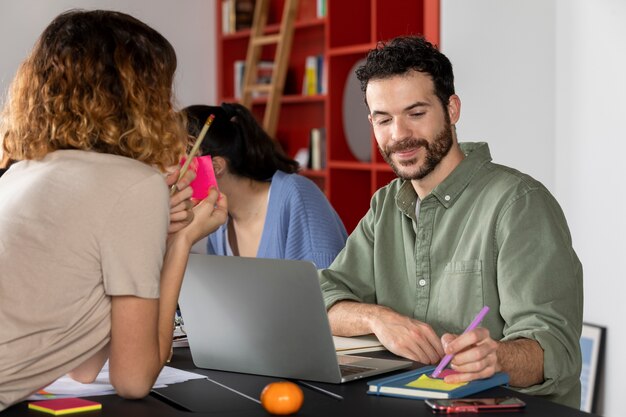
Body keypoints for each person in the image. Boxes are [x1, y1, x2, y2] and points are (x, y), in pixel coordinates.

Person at [319, 36, 583, 408]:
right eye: (384, 119)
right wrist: (377, 318)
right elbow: (325, 296)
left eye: (416, 113)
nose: (399, 135)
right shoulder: (385, 206)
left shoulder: (518, 203)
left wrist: (498, 358)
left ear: (452, 109)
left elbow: (557, 352)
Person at [0, 10, 228, 410]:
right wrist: (179, 242)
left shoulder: (21, 174)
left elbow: (82, 366)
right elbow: (134, 379)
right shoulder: (133, 184)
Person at [184, 103, 347, 268]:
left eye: (179, 162)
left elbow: (325, 289)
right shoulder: (216, 223)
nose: (172, 174)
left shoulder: (296, 197)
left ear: (217, 166)